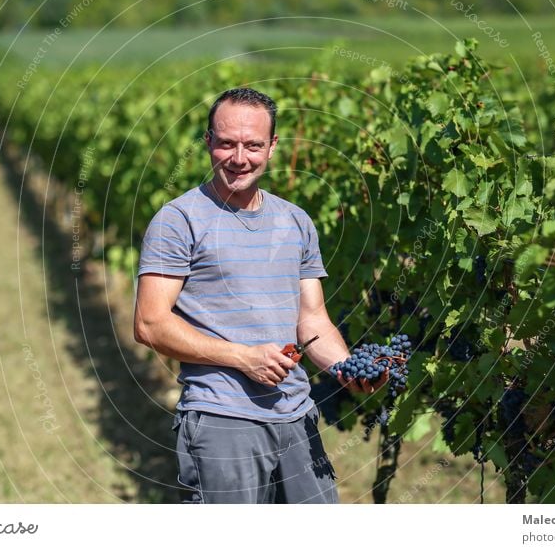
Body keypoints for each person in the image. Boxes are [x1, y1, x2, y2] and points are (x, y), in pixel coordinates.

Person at [133, 87, 387, 504]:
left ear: (271, 148)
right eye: (227, 143)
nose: (239, 158)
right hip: (221, 419)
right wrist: (243, 357)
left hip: (296, 413)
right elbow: (149, 323)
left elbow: (313, 320)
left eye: (252, 145)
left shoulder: (295, 220)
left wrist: (346, 368)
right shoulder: (178, 221)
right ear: (208, 142)